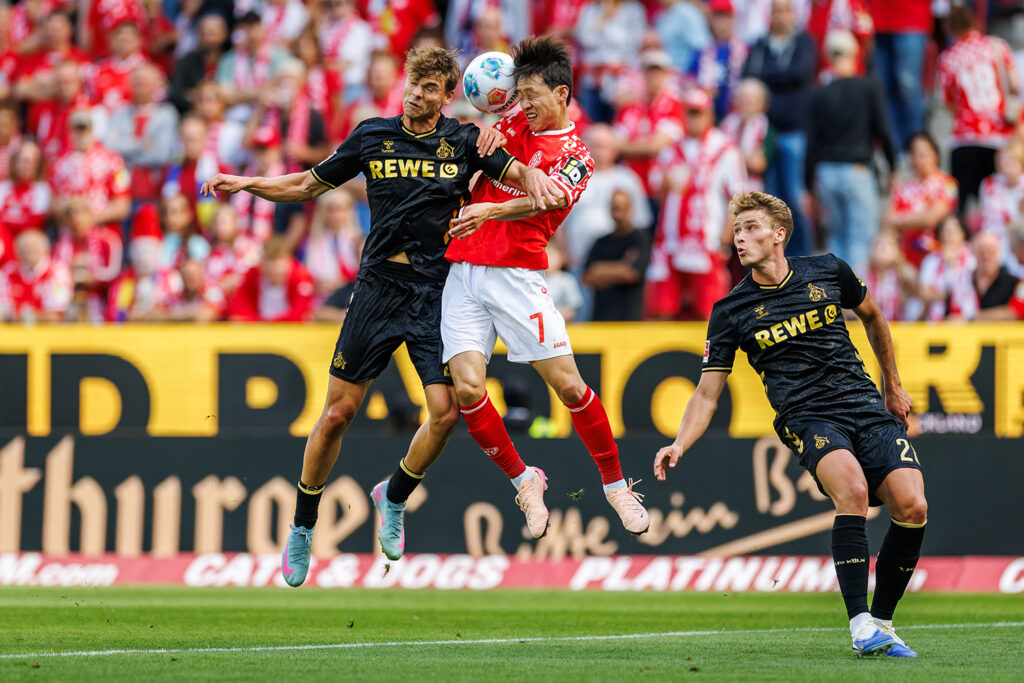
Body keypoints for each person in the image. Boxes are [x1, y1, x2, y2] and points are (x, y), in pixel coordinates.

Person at [201, 45, 559, 586]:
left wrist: (541, 181)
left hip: (434, 292)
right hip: (376, 288)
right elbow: (306, 185)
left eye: (430, 88)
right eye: (413, 83)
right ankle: (302, 527)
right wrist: (247, 183)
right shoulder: (372, 135)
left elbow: (521, 173)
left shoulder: (465, 140)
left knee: (445, 414)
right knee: (337, 414)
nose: (417, 93)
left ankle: (392, 496)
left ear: (447, 97)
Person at [654, 191, 927, 657]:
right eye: (737, 230)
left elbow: (875, 318)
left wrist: (893, 386)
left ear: (779, 234)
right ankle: (860, 624)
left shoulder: (828, 270)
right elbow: (706, 393)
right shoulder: (730, 312)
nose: (740, 239)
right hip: (808, 416)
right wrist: (679, 443)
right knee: (854, 492)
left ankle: (882, 622)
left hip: (863, 403)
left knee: (913, 505)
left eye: (752, 228)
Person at [444, 36, 650, 539]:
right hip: (465, 270)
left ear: (561, 94)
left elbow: (549, 198)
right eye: (520, 94)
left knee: (569, 386)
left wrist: (491, 208)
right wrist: (485, 130)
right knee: (467, 389)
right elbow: (486, 144)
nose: (524, 104)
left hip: (517, 275)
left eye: (533, 94)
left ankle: (616, 484)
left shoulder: (578, 154)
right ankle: (524, 479)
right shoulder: (512, 118)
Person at [645, 87, 746, 321]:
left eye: (698, 112)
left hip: (707, 240)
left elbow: (738, 198)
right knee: (663, 308)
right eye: (689, 112)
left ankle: (711, 357)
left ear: (710, 115)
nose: (693, 118)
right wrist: (666, 183)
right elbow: (656, 192)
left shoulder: (725, 150)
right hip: (671, 240)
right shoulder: (671, 149)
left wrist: (725, 237)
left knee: (710, 309)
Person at [806, 29, 895, 273]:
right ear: (855, 54)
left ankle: (836, 299)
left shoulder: (820, 93)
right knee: (860, 239)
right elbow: (883, 131)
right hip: (856, 170)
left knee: (836, 237)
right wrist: (893, 166)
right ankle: (856, 305)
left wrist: (806, 185)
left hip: (827, 173)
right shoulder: (869, 87)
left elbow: (812, 142)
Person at [742, 0, 817, 256]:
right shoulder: (761, 44)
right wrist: (782, 76)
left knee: (795, 198)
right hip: (765, 132)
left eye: (786, 10)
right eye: (777, 10)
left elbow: (800, 73)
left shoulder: (803, 42)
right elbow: (749, 76)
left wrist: (769, 76)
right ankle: (776, 257)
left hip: (794, 130)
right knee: (770, 200)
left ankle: (804, 257)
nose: (781, 16)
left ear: (792, 14)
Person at [940, 4, 1020, 213]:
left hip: (964, 138)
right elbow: (1015, 85)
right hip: (998, 136)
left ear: (950, 28)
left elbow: (947, 101)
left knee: (965, 204)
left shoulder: (948, 58)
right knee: (998, 202)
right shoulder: (997, 46)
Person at [885, 132, 958, 268]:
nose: (921, 158)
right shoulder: (903, 187)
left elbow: (931, 219)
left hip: (938, 257)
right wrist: (921, 217)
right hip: (906, 256)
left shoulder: (947, 183)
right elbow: (888, 221)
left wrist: (901, 220)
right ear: (910, 158)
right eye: (916, 153)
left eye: (925, 152)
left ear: (935, 154)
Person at [582, 188, 651, 321]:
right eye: (615, 207)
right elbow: (586, 277)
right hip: (601, 319)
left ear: (631, 208)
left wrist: (600, 269)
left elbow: (633, 274)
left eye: (622, 207)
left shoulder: (640, 238)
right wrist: (622, 266)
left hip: (629, 319)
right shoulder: (600, 241)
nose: (618, 211)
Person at [227, 235, 316, 321]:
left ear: (289, 262)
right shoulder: (252, 276)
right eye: (272, 263)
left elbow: (299, 315)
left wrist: (260, 322)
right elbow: (238, 312)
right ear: (262, 264)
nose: (276, 269)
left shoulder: (301, 277)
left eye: (280, 262)